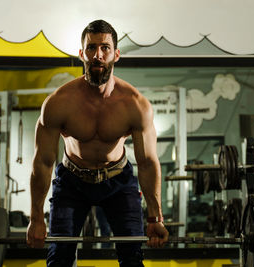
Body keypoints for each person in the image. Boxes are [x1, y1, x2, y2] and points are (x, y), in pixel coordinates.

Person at [26, 19, 169, 267]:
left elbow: (147, 162)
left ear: (116, 54)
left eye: (105, 48)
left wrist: (155, 217)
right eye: (91, 48)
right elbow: (43, 162)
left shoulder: (135, 104)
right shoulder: (58, 103)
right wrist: (36, 216)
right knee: (59, 257)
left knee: (132, 257)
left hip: (118, 181)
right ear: (82, 53)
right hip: (71, 181)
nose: (98, 55)